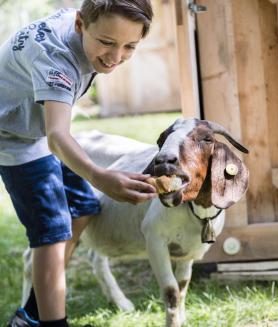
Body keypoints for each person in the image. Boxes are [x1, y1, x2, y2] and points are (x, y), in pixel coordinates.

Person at [0, 1, 156, 326]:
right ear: (80, 25)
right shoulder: (57, 59)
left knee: (82, 207)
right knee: (52, 231)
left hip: (36, 126)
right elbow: (57, 135)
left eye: (130, 46)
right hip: (12, 137)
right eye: (107, 42)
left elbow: (54, 131)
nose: (116, 57)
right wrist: (101, 177)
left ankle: (30, 314)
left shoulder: (88, 16)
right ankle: (52, 322)